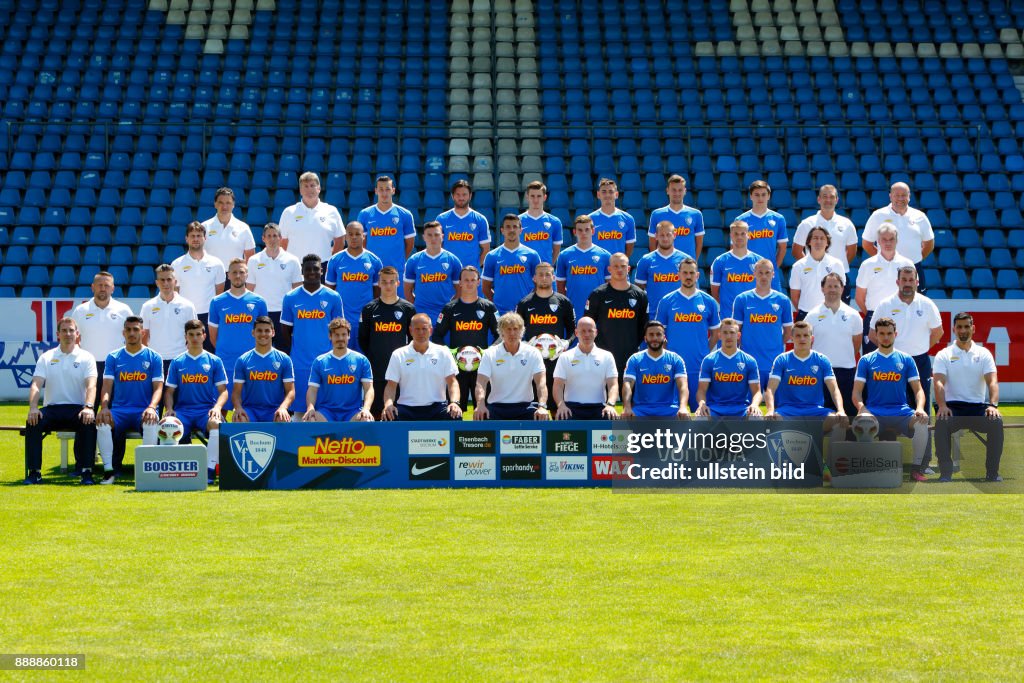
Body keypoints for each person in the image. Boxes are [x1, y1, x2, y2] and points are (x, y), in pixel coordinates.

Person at [869, 266, 943, 471]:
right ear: (897, 282)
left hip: (919, 361)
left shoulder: (927, 304)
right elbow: (873, 334)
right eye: (904, 279)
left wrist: (921, 348)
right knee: (889, 407)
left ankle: (923, 463)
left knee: (922, 412)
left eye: (911, 279)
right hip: (891, 363)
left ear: (917, 282)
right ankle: (887, 459)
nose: (908, 282)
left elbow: (938, 332)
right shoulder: (885, 304)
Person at [851, 317, 930, 480]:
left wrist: (920, 408)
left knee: (922, 425)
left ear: (896, 334)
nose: (885, 337)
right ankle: (868, 471)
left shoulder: (906, 359)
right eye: (881, 333)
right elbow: (856, 393)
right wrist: (862, 409)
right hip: (875, 412)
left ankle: (916, 470)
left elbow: (918, 390)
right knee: (863, 423)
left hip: (901, 412)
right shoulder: (866, 360)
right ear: (876, 335)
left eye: (889, 333)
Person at [23, 317, 98, 485]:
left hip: (77, 408)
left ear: (77, 334)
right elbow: (36, 384)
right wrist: (33, 408)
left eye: (71, 330)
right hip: (52, 409)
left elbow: (91, 385)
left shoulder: (87, 357)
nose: (68, 334)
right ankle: (34, 472)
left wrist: (89, 407)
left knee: (89, 421)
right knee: (33, 421)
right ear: (58, 334)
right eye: (64, 331)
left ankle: (87, 472)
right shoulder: (47, 357)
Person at [933, 312, 1003, 482]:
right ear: (953, 329)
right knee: (941, 422)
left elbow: (992, 381)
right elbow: (938, 383)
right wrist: (942, 405)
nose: (963, 330)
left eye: (966, 326)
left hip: (977, 408)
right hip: (952, 408)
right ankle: (946, 474)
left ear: (973, 328)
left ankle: (992, 473)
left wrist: (993, 406)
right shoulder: (944, 354)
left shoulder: (984, 353)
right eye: (959, 327)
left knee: (996, 423)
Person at [97, 316, 163, 484]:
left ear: (142, 332)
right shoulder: (113, 357)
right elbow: (106, 387)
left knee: (151, 422)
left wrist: (152, 407)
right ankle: (109, 471)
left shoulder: (154, 357)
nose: (132, 333)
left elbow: (158, 388)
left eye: (136, 329)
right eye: (129, 330)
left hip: (144, 409)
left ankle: (146, 473)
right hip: (119, 410)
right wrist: (104, 407)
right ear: (123, 332)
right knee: (103, 423)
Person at [163, 319, 228, 485]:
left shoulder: (214, 361)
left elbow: (223, 392)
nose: (194, 338)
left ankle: (210, 470)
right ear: (185, 336)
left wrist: (217, 407)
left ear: (204, 336)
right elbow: (169, 391)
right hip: (183, 411)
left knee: (216, 423)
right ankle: (171, 471)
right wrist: (169, 408)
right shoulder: (177, 362)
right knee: (167, 425)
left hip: (205, 411)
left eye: (198, 334)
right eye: (191, 334)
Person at [280, 255, 345, 416]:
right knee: (300, 411)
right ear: (302, 271)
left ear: (321, 271)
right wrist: (298, 349)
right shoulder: (290, 297)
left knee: (326, 409)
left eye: (315, 268)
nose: (311, 272)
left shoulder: (333, 297)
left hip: (327, 362)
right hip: (300, 363)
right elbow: (285, 330)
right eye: (307, 269)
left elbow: (339, 330)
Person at [655, 256, 722, 412]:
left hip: (699, 366)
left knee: (702, 413)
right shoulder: (667, 301)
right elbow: (659, 334)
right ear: (678, 275)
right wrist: (669, 351)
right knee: (675, 413)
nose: (688, 276)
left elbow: (716, 332)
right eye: (685, 273)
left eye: (692, 273)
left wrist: (705, 349)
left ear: (697, 275)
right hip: (673, 367)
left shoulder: (708, 301)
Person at [432, 266, 499, 413]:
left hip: (481, 367)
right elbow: (437, 335)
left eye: (473, 280)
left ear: (478, 282)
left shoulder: (488, 307)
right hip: (457, 367)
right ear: (460, 283)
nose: (469, 283)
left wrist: (487, 353)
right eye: (466, 280)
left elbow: (500, 335)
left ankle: (485, 436)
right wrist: (451, 353)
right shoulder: (449, 308)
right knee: (455, 410)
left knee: (484, 409)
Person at [516, 262, 576, 411]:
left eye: (547, 274)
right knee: (535, 407)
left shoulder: (564, 302)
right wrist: (524, 344)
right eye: (540, 275)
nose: (544, 278)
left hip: (557, 361)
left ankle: (559, 434)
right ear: (534, 278)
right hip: (532, 361)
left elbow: (573, 331)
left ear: (553, 277)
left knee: (558, 407)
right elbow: (516, 332)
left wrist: (566, 344)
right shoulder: (524, 303)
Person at [358, 266, 416, 419]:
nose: (388, 285)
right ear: (379, 283)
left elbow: (413, 340)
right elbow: (362, 339)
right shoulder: (369, 309)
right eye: (384, 282)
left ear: (398, 283)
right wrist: (374, 355)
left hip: (400, 370)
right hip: (376, 369)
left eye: (392, 282)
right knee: (376, 414)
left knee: (398, 413)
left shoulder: (408, 309)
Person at [381, 313, 462, 421]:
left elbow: (452, 382)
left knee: (455, 415)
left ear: (431, 330)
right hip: (406, 408)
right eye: (417, 329)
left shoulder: (443, 352)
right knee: (389, 416)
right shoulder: (398, 354)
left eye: (424, 329)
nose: (421, 333)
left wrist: (454, 402)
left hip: (437, 407)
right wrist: (388, 404)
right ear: (410, 330)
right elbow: (391, 385)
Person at [585, 252, 648, 389]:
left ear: (628, 269)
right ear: (609, 269)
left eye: (623, 266)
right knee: (603, 401)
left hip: (630, 355)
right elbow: (587, 324)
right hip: (603, 356)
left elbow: (644, 326)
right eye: (616, 266)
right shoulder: (598, 295)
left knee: (629, 400)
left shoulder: (640, 296)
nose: (619, 270)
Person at [805, 272, 862, 417]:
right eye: (829, 286)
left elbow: (856, 344)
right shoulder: (812, 315)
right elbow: (806, 345)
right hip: (820, 373)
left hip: (847, 373)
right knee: (820, 417)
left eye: (836, 286)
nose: (832, 289)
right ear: (822, 289)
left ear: (842, 289)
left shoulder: (854, 315)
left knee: (847, 417)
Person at [473, 312, 549, 420]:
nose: (512, 333)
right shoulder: (490, 353)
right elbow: (481, 383)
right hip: (497, 407)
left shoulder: (533, 353)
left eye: (515, 329)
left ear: (521, 331)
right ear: (501, 332)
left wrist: (542, 406)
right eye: (508, 329)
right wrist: (480, 405)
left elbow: (541, 383)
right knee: (480, 415)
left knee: (543, 417)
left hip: (525, 406)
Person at [733, 259, 794, 390]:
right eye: (760, 273)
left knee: (775, 404)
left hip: (774, 360)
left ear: (773, 274)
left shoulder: (783, 300)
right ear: (754, 273)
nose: (764, 276)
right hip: (749, 360)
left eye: (767, 272)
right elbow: (736, 332)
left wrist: (776, 344)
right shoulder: (742, 299)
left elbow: (788, 331)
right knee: (750, 405)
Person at [208, 258, 268, 390]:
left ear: (247, 274)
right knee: (223, 404)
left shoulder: (259, 301)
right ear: (228, 275)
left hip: (252, 359)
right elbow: (213, 335)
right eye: (234, 272)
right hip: (225, 359)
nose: (238, 276)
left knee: (252, 404)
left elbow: (265, 333)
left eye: (241, 272)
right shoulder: (217, 302)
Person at [764, 320, 845, 419]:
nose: (802, 339)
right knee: (775, 419)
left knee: (838, 422)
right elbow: (770, 389)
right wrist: (770, 410)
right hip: (787, 410)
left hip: (814, 410)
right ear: (792, 338)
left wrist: (841, 410)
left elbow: (834, 389)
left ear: (812, 338)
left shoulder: (822, 360)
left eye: (806, 335)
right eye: (798, 336)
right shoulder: (782, 359)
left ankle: (807, 432)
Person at [862, 182, 934, 290]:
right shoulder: (878, 215)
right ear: (890, 196)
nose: (900, 198)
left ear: (909, 196)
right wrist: (884, 259)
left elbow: (929, 243)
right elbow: (867, 243)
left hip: (914, 269)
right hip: (887, 269)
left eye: (904, 195)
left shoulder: (920, 216)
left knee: (915, 303)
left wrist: (916, 259)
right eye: (897, 195)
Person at [855, 224, 915, 354]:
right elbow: (859, 297)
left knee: (901, 359)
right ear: (878, 241)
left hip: (901, 319)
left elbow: (912, 294)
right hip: (873, 319)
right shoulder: (867, 265)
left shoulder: (907, 264)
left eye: (891, 239)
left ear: (897, 241)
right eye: (884, 239)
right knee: (872, 362)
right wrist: (874, 315)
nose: (888, 243)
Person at [324, 221, 383, 353]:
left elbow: (377, 292)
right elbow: (329, 292)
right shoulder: (335, 260)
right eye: (350, 234)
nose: (354, 237)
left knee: (364, 356)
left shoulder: (374, 261)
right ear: (345, 237)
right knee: (342, 355)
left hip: (365, 319)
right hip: (342, 319)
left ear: (364, 237)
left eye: (358, 234)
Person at [792, 184, 857, 301]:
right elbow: (797, 251)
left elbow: (852, 251)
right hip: (812, 278)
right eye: (824, 196)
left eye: (832, 197)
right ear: (819, 199)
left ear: (837, 200)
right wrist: (810, 267)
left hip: (840, 278)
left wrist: (836, 267)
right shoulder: (807, 224)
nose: (828, 200)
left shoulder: (847, 224)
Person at [302, 318, 374, 423]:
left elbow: (369, 389)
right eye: (336, 335)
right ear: (330, 336)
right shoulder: (320, 361)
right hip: (327, 412)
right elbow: (312, 390)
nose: (340, 338)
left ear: (349, 336)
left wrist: (366, 409)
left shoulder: (361, 360)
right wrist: (310, 408)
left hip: (352, 412)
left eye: (344, 334)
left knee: (366, 420)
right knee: (310, 420)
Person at [246, 222, 302, 348]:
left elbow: (298, 290)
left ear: (280, 238)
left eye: (275, 236)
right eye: (269, 236)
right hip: (261, 312)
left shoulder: (292, 260)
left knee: (285, 349)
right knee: (261, 349)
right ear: (263, 238)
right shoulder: (254, 260)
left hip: (284, 313)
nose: (272, 239)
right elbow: (249, 290)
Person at [170, 221, 226, 345]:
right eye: (192, 236)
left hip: (209, 317)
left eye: (199, 235)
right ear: (186, 239)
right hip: (185, 316)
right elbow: (175, 294)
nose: (196, 239)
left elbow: (219, 294)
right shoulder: (177, 264)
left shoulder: (217, 263)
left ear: (205, 238)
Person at [552, 317, 619, 420]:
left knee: (611, 417)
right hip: (571, 407)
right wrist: (561, 406)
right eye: (583, 331)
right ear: (576, 332)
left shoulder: (607, 356)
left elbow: (613, 384)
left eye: (590, 331)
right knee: (562, 416)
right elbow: (558, 385)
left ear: (596, 332)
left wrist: (610, 404)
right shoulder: (565, 356)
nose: (587, 334)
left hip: (599, 407)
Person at [231, 316, 295, 423]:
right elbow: (236, 393)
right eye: (259, 331)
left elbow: (291, 391)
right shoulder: (242, 360)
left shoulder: (284, 359)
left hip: (275, 410)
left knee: (282, 419)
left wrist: (283, 407)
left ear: (273, 333)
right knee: (240, 419)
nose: (263, 334)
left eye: (267, 331)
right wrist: (238, 408)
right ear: (253, 333)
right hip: (250, 410)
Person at [70, 270, 134, 377]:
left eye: (107, 285)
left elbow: (133, 337)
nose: (103, 289)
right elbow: (73, 339)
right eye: (100, 285)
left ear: (112, 288)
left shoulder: (124, 310)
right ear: (93, 287)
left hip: (117, 365)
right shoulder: (80, 311)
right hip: (87, 366)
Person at [695, 318, 762, 418]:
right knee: (700, 417)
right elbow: (701, 390)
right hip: (715, 408)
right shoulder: (709, 360)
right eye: (725, 333)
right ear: (719, 335)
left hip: (741, 409)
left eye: (732, 332)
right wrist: (701, 404)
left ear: (738, 335)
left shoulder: (749, 361)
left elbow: (757, 392)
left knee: (756, 417)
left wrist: (755, 405)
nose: (729, 336)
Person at [621, 321, 689, 419]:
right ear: (645, 338)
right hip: (641, 409)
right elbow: (627, 384)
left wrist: (683, 407)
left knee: (685, 418)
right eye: (651, 335)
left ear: (664, 338)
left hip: (669, 409)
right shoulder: (635, 359)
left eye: (658, 334)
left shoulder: (676, 359)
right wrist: (627, 407)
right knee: (622, 423)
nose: (655, 338)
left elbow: (683, 385)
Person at [278, 171, 345, 270]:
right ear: (300, 190)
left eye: (312, 185)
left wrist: (331, 262)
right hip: (295, 267)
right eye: (305, 186)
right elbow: (282, 241)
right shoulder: (289, 212)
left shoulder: (331, 211)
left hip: (323, 266)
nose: (309, 189)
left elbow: (340, 239)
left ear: (319, 188)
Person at [403, 220, 463, 325]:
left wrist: (449, 308)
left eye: (436, 234)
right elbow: (407, 291)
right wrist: (417, 308)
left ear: (442, 236)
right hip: (421, 312)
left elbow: (460, 290)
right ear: (424, 237)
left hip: (445, 312)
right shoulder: (414, 260)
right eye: (429, 235)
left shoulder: (453, 260)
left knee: (444, 341)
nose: (433, 238)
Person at [140, 264, 197, 373]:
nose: (166, 283)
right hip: (155, 361)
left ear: (175, 282)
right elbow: (144, 336)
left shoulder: (188, 306)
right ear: (157, 283)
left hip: (181, 360)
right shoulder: (147, 306)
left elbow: (194, 336)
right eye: (162, 280)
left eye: (169, 279)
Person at [482, 213, 541, 315]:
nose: (512, 230)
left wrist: (529, 302)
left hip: (526, 311)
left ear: (520, 230)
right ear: (502, 230)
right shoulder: (492, 256)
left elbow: (539, 284)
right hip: (501, 312)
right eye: (508, 227)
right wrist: (497, 303)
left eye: (515, 227)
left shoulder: (532, 255)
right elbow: (486, 287)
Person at [733, 180, 787, 291]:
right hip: (748, 273)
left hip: (769, 273)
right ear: (751, 196)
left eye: (763, 195)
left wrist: (773, 268)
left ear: (769, 196)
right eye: (757, 195)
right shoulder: (741, 220)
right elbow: (735, 248)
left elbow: (782, 248)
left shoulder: (778, 219)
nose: (760, 198)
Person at [555, 214, 612, 321]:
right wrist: (566, 305)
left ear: (593, 231)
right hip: (574, 307)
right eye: (580, 230)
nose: (584, 233)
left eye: (587, 229)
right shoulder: (564, 255)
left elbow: (610, 284)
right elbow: (560, 285)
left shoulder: (605, 255)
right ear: (574, 232)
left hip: (598, 308)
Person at [357, 174, 416, 272]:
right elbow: (362, 243)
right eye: (381, 189)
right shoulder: (365, 214)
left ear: (393, 190)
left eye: (387, 189)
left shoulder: (405, 214)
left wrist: (399, 260)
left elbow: (410, 244)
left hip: (396, 270)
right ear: (376, 191)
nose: (384, 193)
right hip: (372, 269)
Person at [635, 219, 690, 317]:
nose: (665, 238)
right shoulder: (646, 260)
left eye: (668, 235)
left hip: (680, 316)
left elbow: (691, 288)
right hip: (654, 315)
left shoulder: (685, 260)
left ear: (674, 235)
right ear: (656, 236)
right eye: (662, 235)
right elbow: (638, 290)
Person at [790, 226, 846, 320]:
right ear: (809, 242)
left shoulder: (837, 264)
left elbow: (841, 292)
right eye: (815, 238)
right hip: (805, 315)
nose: (818, 241)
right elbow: (795, 296)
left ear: (827, 242)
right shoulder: (798, 266)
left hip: (831, 314)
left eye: (822, 238)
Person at [710, 220, 760, 323]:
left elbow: (763, 288)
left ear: (748, 235)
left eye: (743, 234)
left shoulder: (759, 261)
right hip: (728, 317)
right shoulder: (720, 261)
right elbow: (715, 291)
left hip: (752, 316)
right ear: (731, 236)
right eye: (736, 234)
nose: (739, 237)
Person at [646, 174, 704, 260]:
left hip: (686, 266)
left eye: (680, 190)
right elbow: (652, 243)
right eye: (674, 190)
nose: (677, 193)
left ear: (685, 191)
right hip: (664, 266)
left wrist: (692, 261)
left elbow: (699, 243)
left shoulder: (696, 214)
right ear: (667, 191)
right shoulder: (657, 214)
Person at [435, 179, 490, 268]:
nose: (461, 198)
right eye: (458, 194)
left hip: (471, 277)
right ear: (452, 196)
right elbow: (436, 246)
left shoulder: (480, 220)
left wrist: (474, 268)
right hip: (449, 272)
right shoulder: (442, 219)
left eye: (464, 194)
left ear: (470, 196)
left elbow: (486, 249)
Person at [201, 187, 256, 269]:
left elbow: (250, 258)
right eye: (221, 203)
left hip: (235, 277)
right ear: (215, 204)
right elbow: (197, 253)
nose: (224, 206)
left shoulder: (243, 228)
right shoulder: (204, 227)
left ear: (233, 204)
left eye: (228, 203)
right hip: (210, 276)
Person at [588, 178, 636, 258]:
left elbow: (630, 244)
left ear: (616, 195)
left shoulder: (628, 219)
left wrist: (621, 261)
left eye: (611, 192)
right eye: (604, 192)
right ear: (598, 195)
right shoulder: (590, 219)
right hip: (597, 265)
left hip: (618, 267)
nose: (607, 195)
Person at [518, 180, 562, 265]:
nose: (535, 200)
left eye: (539, 196)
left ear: (544, 197)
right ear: (527, 197)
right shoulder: (518, 221)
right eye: (532, 196)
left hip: (545, 273)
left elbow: (556, 249)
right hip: (524, 270)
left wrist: (547, 266)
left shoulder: (555, 222)